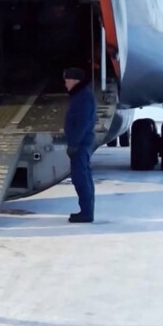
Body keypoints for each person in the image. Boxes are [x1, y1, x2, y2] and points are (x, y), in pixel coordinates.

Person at [63, 67, 96, 223]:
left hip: (80, 143)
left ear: (75, 81)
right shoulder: (81, 95)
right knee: (83, 176)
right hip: (81, 142)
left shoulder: (83, 97)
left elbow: (82, 123)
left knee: (80, 177)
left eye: (67, 80)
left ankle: (86, 212)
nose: (65, 83)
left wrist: (74, 144)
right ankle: (86, 211)